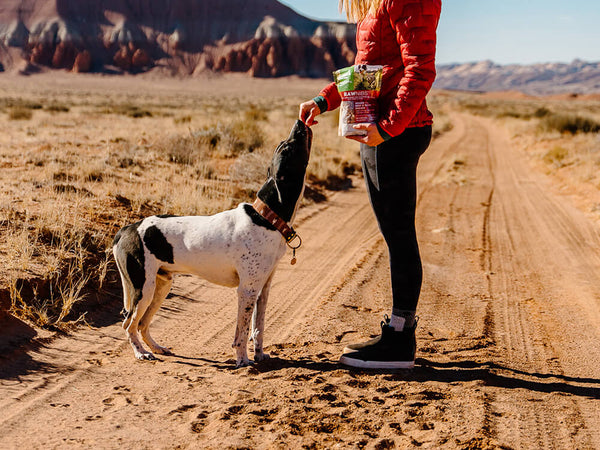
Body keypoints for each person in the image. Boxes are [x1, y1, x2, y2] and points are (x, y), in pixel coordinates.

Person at [299, 0, 442, 369]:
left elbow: (420, 69)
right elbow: (368, 71)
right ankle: (398, 332)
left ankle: (399, 340)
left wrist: (387, 127)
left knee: (399, 234)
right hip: (380, 130)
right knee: (395, 232)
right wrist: (325, 99)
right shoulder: (378, 4)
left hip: (394, 133)